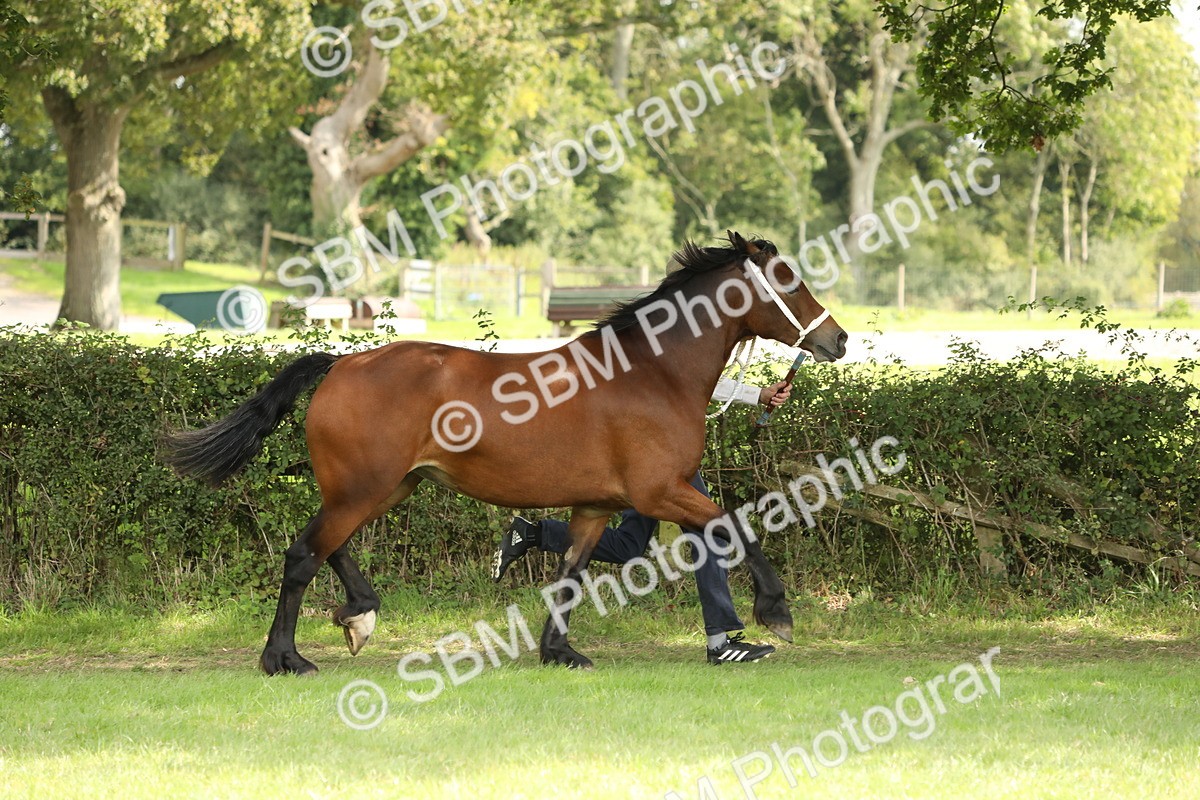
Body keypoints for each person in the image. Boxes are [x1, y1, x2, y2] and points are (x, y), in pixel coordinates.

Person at [493, 378, 792, 665]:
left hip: (643, 453)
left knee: (628, 546)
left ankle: (532, 533)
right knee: (710, 533)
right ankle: (721, 642)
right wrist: (757, 395)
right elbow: (689, 375)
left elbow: (692, 373)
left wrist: (759, 394)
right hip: (654, 456)